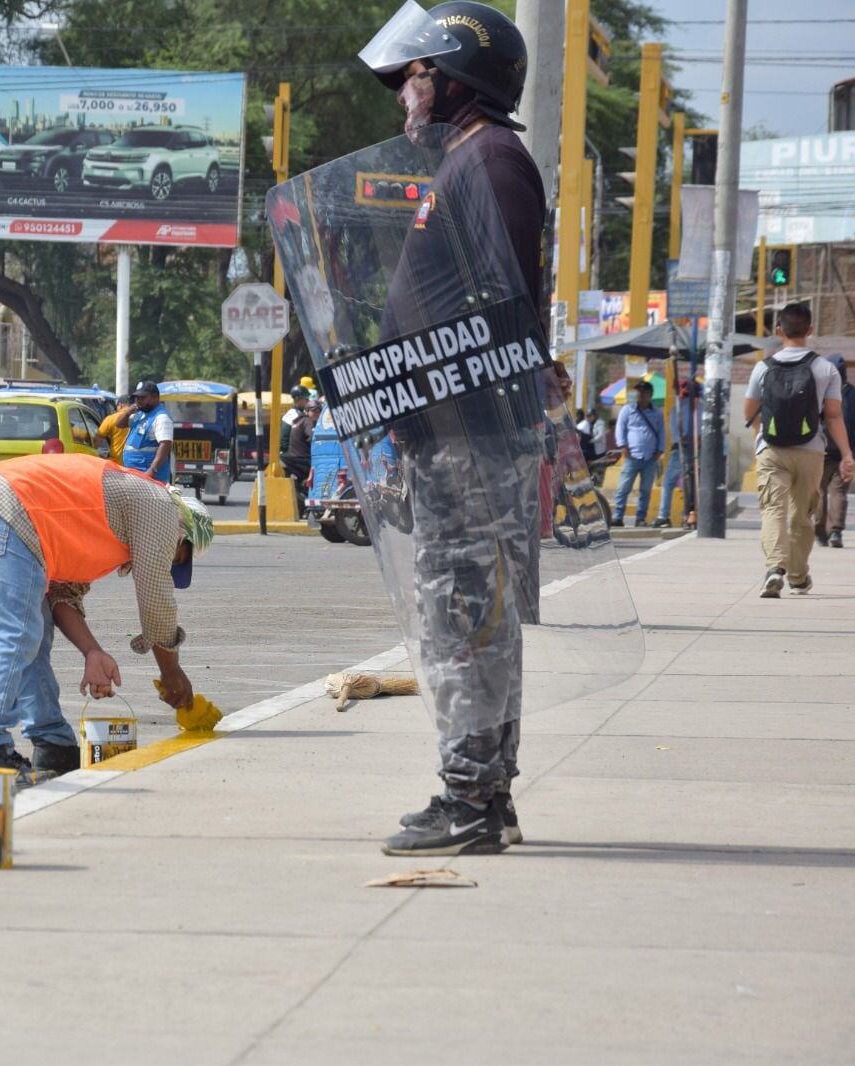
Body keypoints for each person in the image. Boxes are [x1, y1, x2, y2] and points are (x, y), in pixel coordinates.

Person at [358, 1, 549, 856]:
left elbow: (503, 311)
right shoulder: (469, 160)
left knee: (465, 616)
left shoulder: (492, 161)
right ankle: (484, 795)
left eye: (414, 76)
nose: (404, 93)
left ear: (455, 78)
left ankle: (470, 803)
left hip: (471, 439)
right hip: (451, 436)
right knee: (470, 616)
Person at [0, 453, 213, 777]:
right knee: (13, 636)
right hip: (2, 511)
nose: (169, 562)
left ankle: (53, 743)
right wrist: (171, 671)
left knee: (32, 634)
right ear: (183, 532)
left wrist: (92, 652)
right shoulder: (162, 508)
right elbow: (156, 598)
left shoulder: (107, 522)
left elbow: (62, 597)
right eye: (176, 556)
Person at [742, 303, 855, 598]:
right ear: (810, 330)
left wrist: (764, 436)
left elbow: (749, 411)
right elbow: (833, 416)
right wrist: (847, 454)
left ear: (779, 330)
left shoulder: (762, 367)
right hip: (811, 451)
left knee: (773, 509)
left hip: (772, 450)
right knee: (802, 515)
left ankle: (774, 568)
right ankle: (798, 577)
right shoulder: (826, 369)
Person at [815, 354, 855, 548]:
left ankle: (820, 532)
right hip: (845, 453)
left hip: (821, 451)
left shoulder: (820, 390)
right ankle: (836, 531)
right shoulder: (854, 394)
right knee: (839, 492)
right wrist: (853, 452)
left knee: (819, 491)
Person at [611, 380, 663, 527]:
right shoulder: (627, 410)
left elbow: (662, 432)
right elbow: (620, 429)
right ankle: (617, 516)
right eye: (639, 391)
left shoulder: (657, 412)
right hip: (631, 456)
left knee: (645, 490)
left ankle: (640, 518)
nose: (641, 394)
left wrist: (660, 450)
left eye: (645, 392)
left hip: (650, 457)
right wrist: (623, 446)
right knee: (623, 488)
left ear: (650, 394)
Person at [653, 379, 700, 529]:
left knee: (690, 484)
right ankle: (667, 516)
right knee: (676, 482)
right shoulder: (679, 408)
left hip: (693, 449)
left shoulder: (696, 408)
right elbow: (677, 434)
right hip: (682, 448)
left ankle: (685, 514)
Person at [121, 380, 175, 483]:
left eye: (142, 398)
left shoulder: (161, 417)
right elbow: (120, 424)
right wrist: (128, 412)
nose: (138, 401)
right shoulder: (140, 414)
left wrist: (152, 470)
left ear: (155, 397)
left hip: (150, 477)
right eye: (137, 398)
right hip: (135, 475)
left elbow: (165, 444)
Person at [281, 397, 315, 512]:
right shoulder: (307, 421)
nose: (316, 414)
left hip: (289, 457)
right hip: (302, 458)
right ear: (307, 411)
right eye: (313, 411)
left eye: (317, 411)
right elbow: (312, 437)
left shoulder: (296, 420)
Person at [98, 395, 137, 461]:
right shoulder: (140, 418)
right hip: (134, 462)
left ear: (120, 405)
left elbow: (98, 439)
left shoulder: (110, 419)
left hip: (115, 463)